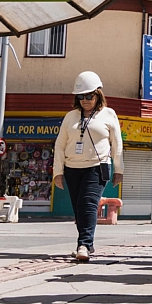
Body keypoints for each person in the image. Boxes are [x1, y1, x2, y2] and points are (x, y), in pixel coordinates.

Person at [53, 71, 123, 262]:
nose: (85, 100)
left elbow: (117, 143)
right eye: (81, 96)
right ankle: (88, 243)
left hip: (97, 167)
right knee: (78, 208)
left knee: (88, 204)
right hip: (72, 168)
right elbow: (59, 145)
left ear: (98, 94)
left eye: (89, 96)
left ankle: (83, 244)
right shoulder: (70, 117)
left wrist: (119, 170)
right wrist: (58, 172)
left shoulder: (108, 114)